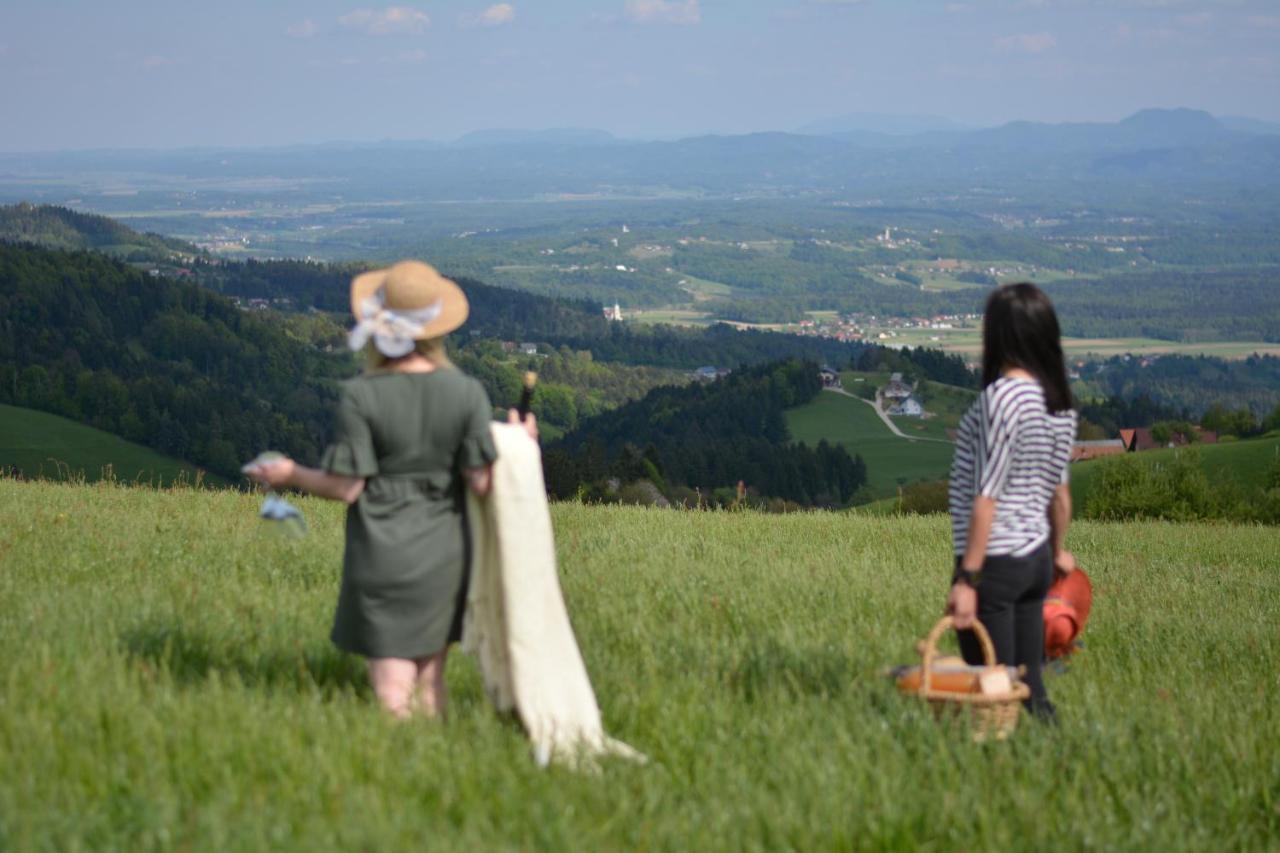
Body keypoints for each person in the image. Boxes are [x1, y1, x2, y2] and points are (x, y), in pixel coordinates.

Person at [246, 260, 537, 719]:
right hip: (446, 557)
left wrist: (288, 474)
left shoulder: (362, 395)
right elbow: (482, 482)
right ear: (436, 327)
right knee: (430, 682)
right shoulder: (466, 392)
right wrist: (522, 444)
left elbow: (346, 488)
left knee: (391, 692)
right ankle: (439, 780)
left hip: (381, 556)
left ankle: (392, 777)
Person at [945, 282, 1077, 720]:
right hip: (1036, 558)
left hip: (996, 562)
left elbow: (987, 496)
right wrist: (1057, 552)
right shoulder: (1058, 401)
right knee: (1030, 685)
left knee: (993, 686)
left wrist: (967, 578)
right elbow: (1059, 495)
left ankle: (997, 764)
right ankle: (1051, 752)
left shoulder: (1002, 398)